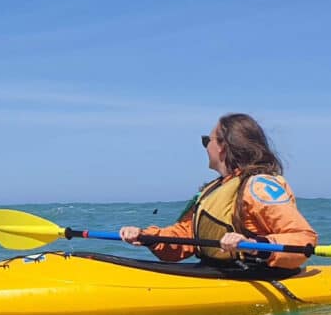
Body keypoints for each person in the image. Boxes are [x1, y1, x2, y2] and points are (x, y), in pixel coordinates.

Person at [119, 113, 316, 269]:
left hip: (252, 273)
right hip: (214, 271)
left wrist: (254, 245)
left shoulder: (259, 187)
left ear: (223, 147)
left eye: (208, 140)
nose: (205, 147)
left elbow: (303, 238)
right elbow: (185, 239)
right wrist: (147, 237)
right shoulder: (214, 189)